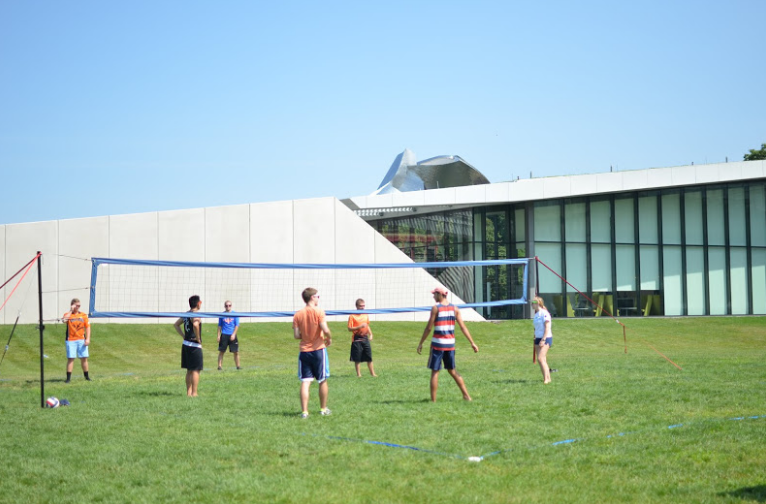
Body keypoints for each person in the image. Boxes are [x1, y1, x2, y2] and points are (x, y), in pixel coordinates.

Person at [417, 287, 479, 402]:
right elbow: (463, 327)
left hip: (438, 345)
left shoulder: (436, 308)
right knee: (452, 370)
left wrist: (421, 343)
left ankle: (433, 401)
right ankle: (466, 396)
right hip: (450, 345)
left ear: (440, 294)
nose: (433, 297)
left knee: (435, 371)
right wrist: (472, 343)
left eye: (434, 294)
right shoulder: (454, 308)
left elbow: (429, 328)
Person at [293, 287, 332, 418]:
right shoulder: (319, 312)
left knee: (306, 381)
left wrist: (306, 334)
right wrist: (329, 337)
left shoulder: (298, 314)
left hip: (304, 352)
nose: (318, 298)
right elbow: (325, 329)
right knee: (322, 380)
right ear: (312, 297)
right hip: (318, 350)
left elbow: (297, 335)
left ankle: (304, 412)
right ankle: (323, 409)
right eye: (317, 296)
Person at [174, 295, 203, 397]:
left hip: (185, 344)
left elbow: (176, 325)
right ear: (199, 303)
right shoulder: (195, 314)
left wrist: (183, 336)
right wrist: (198, 338)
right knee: (195, 370)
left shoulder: (186, 314)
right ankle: (194, 393)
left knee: (189, 370)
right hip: (194, 345)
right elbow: (195, 325)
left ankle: (188, 393)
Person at [62, 298, 91, 383]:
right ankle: (68, 379)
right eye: (76, 305)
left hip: (81, 339)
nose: (78, 307)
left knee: (84, 358)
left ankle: (87, 377)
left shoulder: (83, 315)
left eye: (79, 305)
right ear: (72, 305)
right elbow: (64, 320)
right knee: (71, 358)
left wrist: (88, 338)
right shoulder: (68, 314)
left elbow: (88, 327)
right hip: (71, 340)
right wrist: (71, 311)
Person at [347, 298, 377, 377]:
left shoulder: (365, 314)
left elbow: (367, 325)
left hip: (365, 338)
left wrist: (371, 334)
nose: (362, 308)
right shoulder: (352, 316)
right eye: (360, 306)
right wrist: (359, 327)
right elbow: (349, 328)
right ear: (356, 306)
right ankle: (359, 375)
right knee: (357, 358)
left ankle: (373, 374)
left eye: (363, 306)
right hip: (357, 339)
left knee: (369, 357)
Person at [532, 296, 553, 384]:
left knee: (540, 358)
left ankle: (546, 380)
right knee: (542, 359)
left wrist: (543, 339)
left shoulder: (544, 313)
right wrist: (535, 336)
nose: (532, 304)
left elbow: (547, 327)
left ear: (538, 303)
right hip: (537, 337)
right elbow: (536, 327)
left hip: (546, 338)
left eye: (533, 302)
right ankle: (547, 377)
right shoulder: (536, 314)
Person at [217, 300, 240, 370]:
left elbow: (237, 325)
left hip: (232, 335)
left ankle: (238, 366)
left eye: (229, 305)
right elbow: (219, 326)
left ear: (231, 306)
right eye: (226, 305)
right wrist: (218, 335)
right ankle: (219, 366)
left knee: (236, 352)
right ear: (224, 306)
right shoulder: (222, 315)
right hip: (224, 335)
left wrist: (233, 334)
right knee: (222, 351)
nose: (228, 307)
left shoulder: (235, 314)